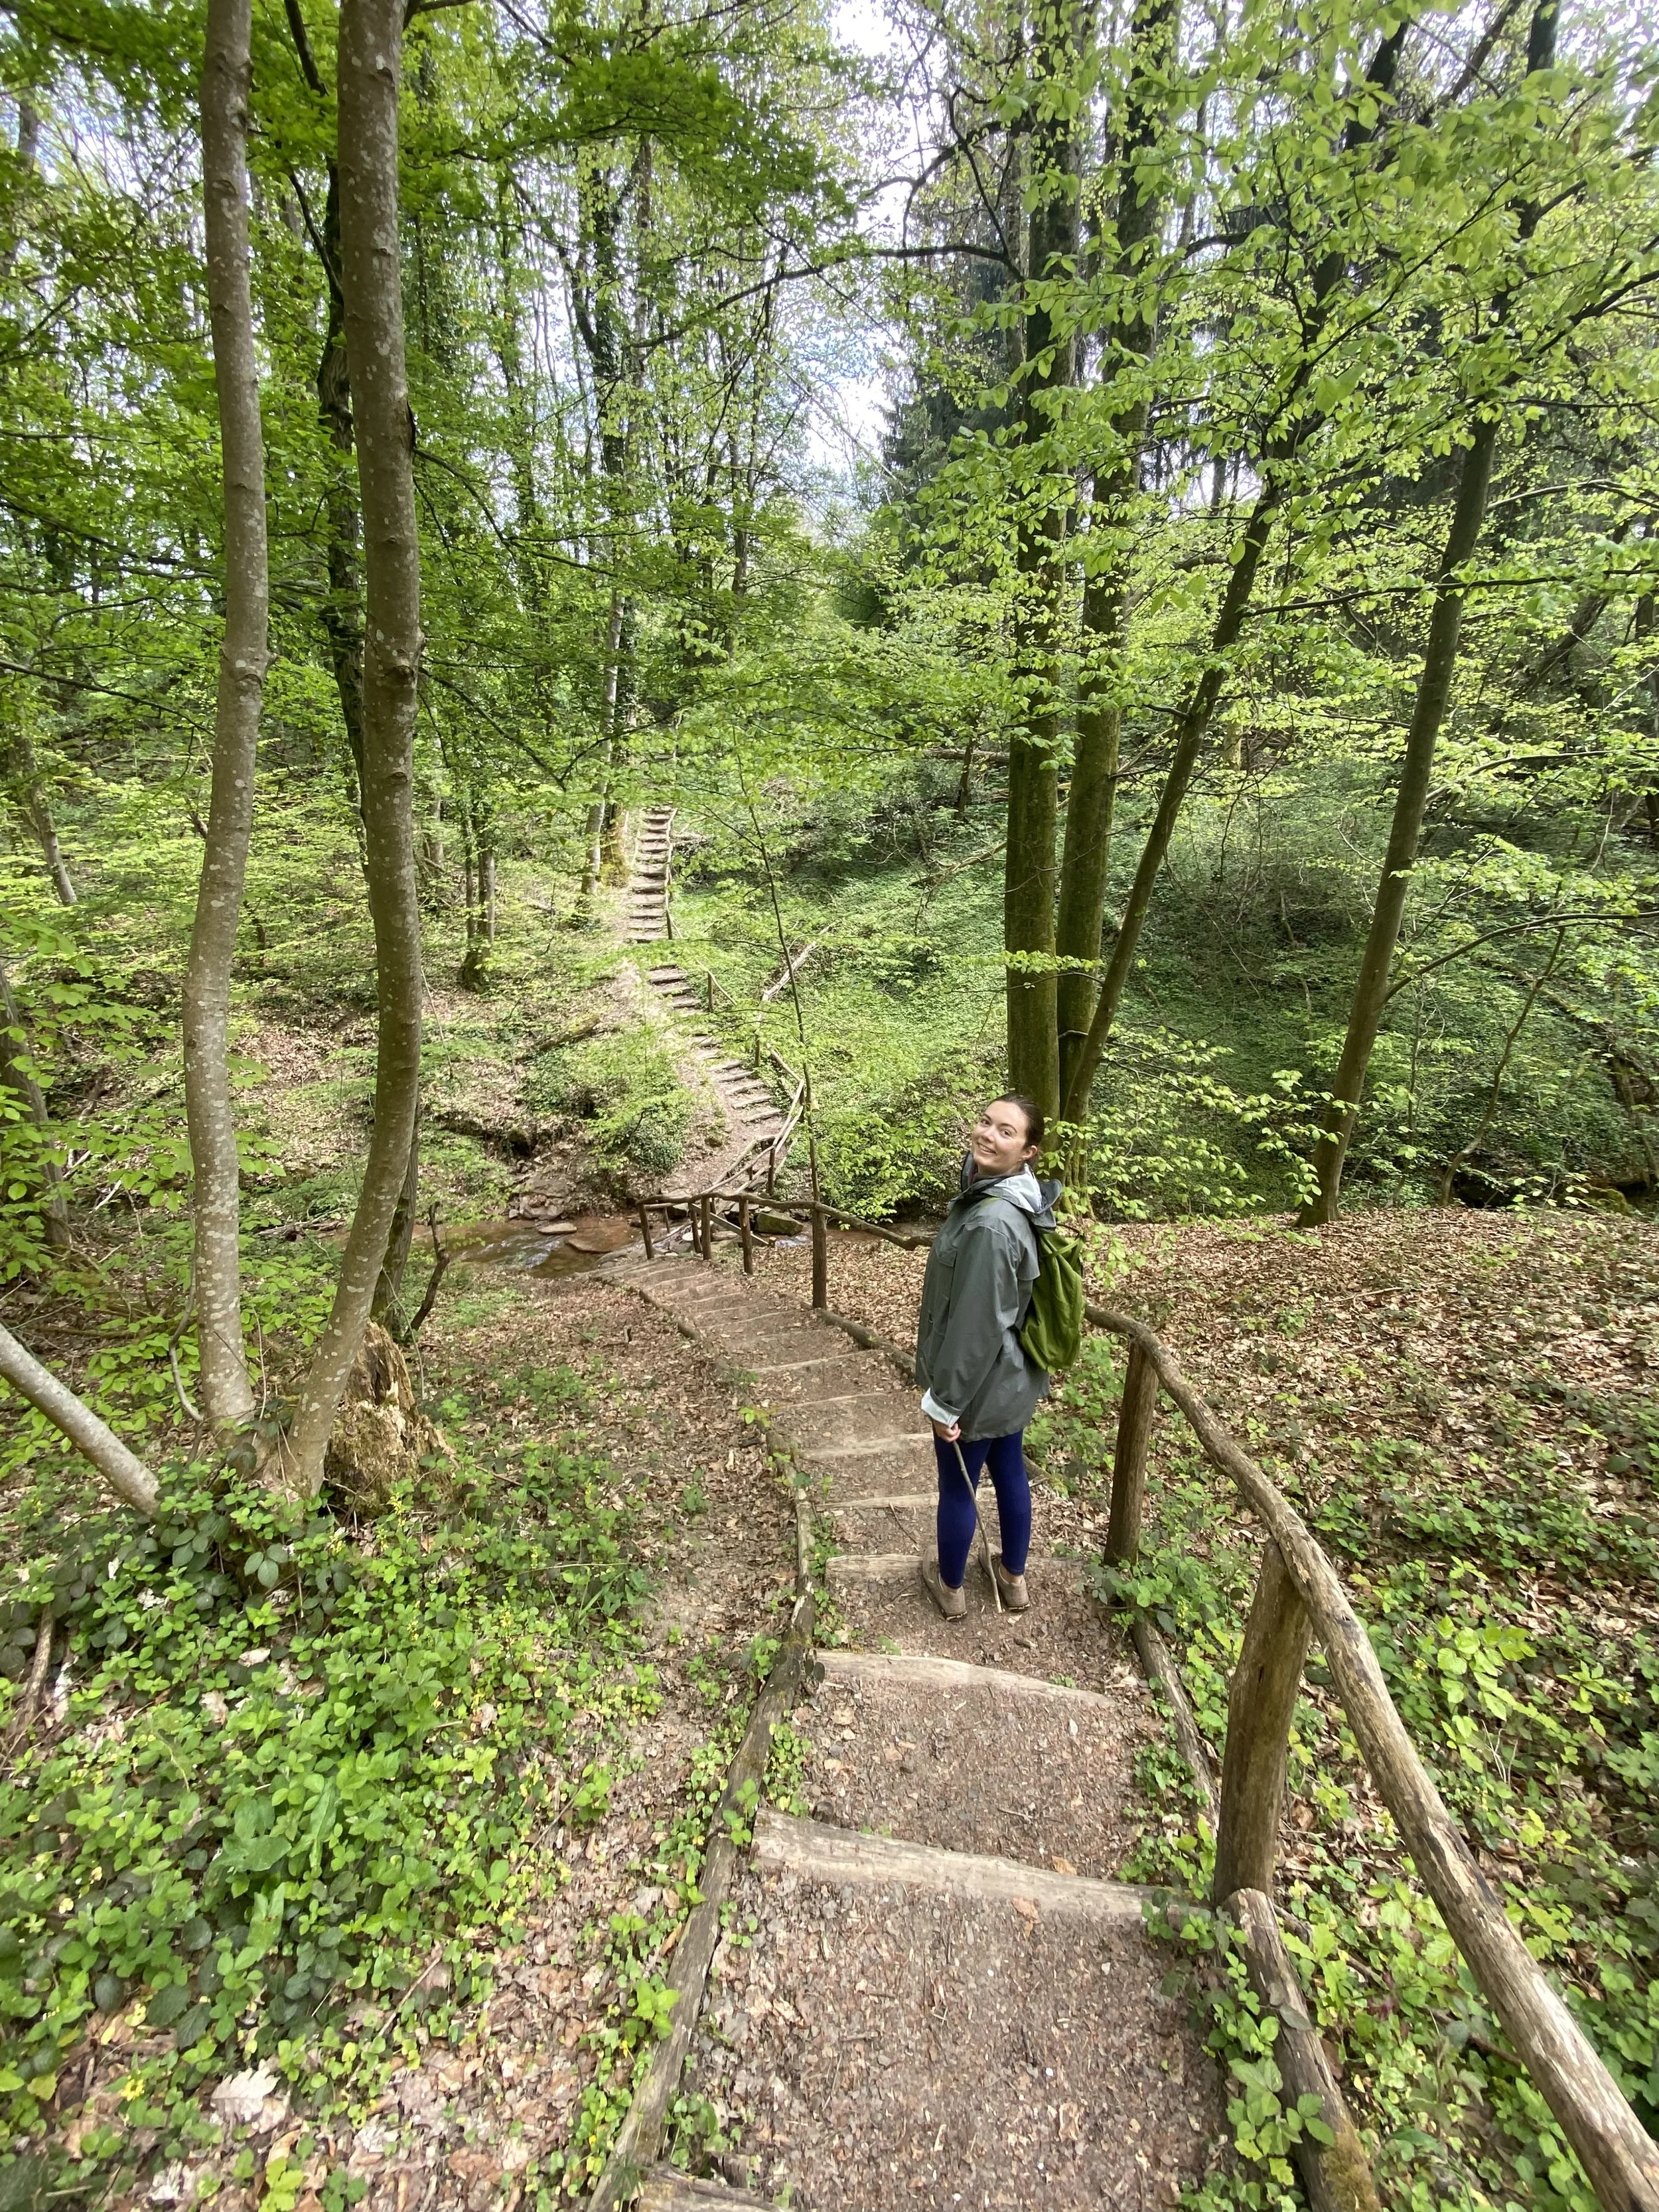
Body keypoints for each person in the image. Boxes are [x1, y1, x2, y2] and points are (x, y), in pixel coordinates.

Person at [914, 1094, 1059, 1619]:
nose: (987, 1135)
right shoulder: (1018, 1200)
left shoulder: (992, 1223)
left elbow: (977, 1325)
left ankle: (950, 1588)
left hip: (978, 1386)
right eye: (984, 1122)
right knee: (1010, 1470)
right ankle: (1012, 1579)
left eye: (1005, 1131)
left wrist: (946, 1402)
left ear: (1028, 1150)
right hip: (1013, 1380)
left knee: (959, 1486)